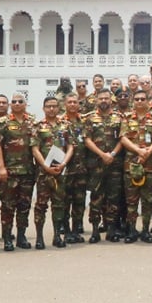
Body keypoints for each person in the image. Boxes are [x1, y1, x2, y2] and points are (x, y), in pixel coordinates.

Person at [0, 94, 37, 251]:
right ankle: (7, 238)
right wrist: (1, 167)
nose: (17, 104)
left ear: (26, 104)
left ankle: (21, 236)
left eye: (20, 101)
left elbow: (36, 146)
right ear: (10, 105)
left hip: (27, 172)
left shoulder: (32, 122)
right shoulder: (3, 122)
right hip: (9, 172)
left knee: (24, 205)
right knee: (7, 206)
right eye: (14, 102)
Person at [120, 89, 152, 243]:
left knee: (147, 200)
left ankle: (145, 230)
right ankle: (131, 230)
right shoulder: (126, 118)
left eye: (142, 99)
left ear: (148, 100)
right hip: (131, 165)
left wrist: (148, 152)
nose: (139, 101)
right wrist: (138, 150)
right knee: (131, 201)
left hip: (149, 165)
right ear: (133, 101)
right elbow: (123, 138)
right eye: (136, 99)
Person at [32, 96, 73, 249]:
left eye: (54, 106)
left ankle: (57, 236)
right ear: (43, 108)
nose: (51, 109)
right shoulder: (37, 126)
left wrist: (63, 164)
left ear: (59, 108)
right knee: (41, 205)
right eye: (48, 106)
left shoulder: (65, 125)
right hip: (44, 173)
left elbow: (70, 147)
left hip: (60, 171)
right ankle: (39, 237)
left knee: (59, 205)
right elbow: (35, 148)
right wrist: (44, 166)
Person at [84, 89, 125, 242]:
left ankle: (111, 229)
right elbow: (87, 140)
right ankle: (95, 230)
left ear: (111, 100)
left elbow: (123, 138)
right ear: (96, 100)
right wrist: (102, 155)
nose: (103, 101)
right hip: (96, 164)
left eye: (106, 98)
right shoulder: (89, 118)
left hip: (115, 163)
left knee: (113, 197)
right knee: (96, 197)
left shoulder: (119, 118)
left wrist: (112, 154)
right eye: (101, 98)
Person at [61, 93, 88, 242]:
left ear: (79, 104)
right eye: (69, 102)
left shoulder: (84, 122)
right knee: (65, 201)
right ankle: (66, 230)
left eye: (75, 102)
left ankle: (76, 229)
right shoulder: (59, 122)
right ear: (65, 104)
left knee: (80, 201)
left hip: (82, 169)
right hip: (65, 169)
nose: (72, 104)